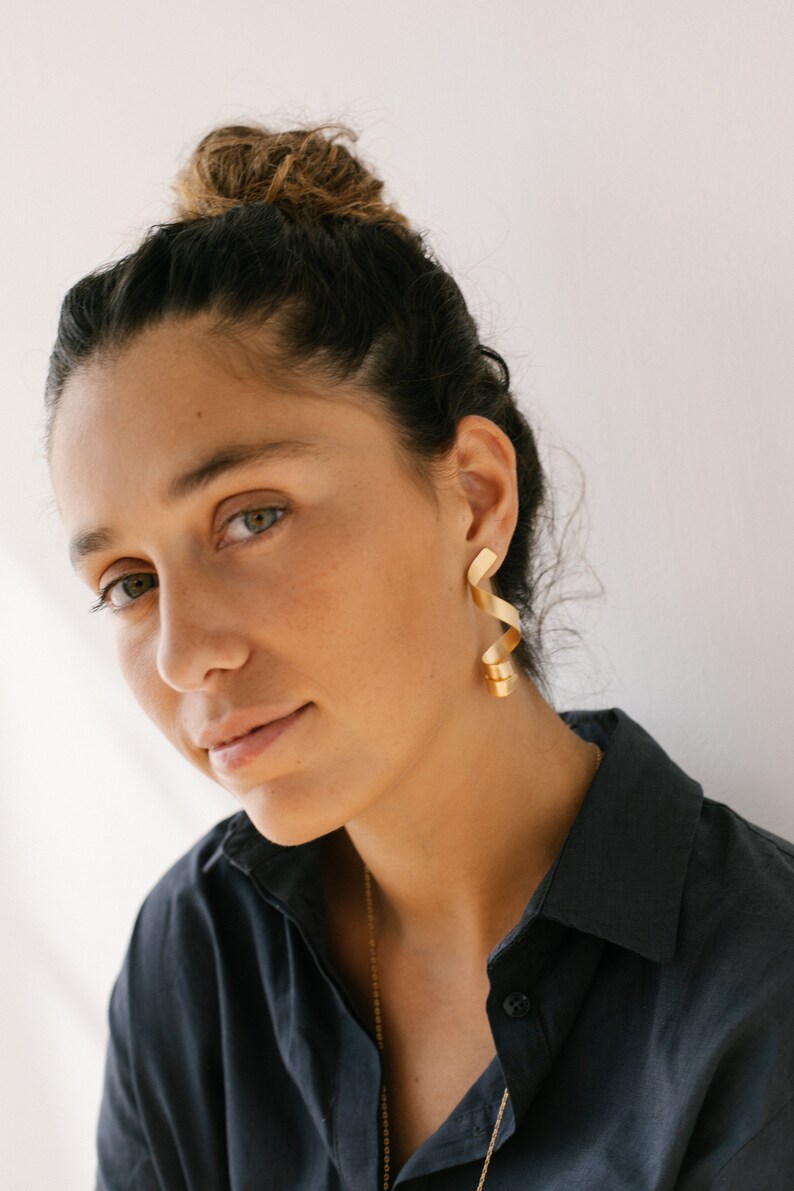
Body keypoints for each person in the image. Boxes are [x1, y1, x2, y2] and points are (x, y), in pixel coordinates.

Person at [45, 123, 793, 1191]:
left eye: (250, 517)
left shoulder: (755, 1006)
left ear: (473, 497)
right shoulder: (200, 955)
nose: (184, 655)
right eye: (127, 581)